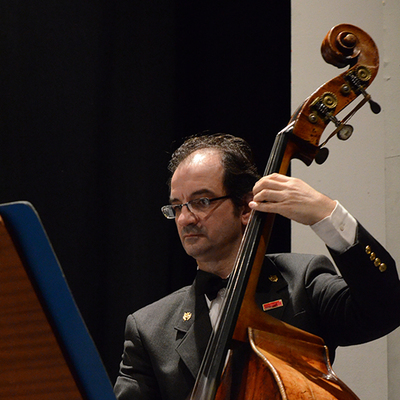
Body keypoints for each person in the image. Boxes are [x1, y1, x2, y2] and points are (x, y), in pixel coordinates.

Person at [114, 133, 400, 400]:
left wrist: (327, 214)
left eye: (201, 201)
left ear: (246, 209)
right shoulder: (149, 329)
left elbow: (385, 309)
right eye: (177, 206)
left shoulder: (302, 282)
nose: (185, 219)